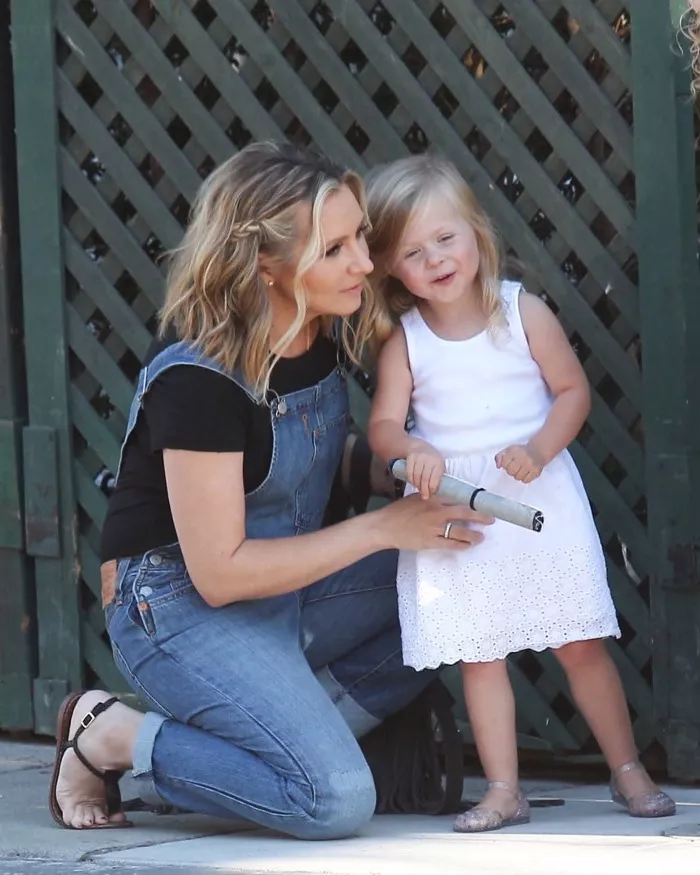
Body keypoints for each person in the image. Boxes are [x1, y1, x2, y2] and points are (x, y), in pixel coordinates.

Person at [48, 142, 492, 837]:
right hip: (179, 608)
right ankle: (113, 736)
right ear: (265, 264)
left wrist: (402, 473)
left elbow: (308, 463)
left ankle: (248, 753)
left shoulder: (316, 331)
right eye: (335, 249)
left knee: (464, 578)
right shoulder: (199, 376)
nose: (365, 263)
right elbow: (220, 573)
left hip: (291, 588)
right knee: (334, 799)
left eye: (360, 239)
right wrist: (382, 527)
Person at [364, 154, 677, 833]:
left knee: (580, 642)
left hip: (538, 500)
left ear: (474, 231)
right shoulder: (406, 342)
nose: (435, 258)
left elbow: (571, 391)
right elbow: (383, 426)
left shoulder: (520, 310)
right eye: (414, 252)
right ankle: (504, 789)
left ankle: (628, 768)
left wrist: (538, 450)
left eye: (445, 237)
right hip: (461, 510)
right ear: (390, 267)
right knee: (481, 656)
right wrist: (412, 448)